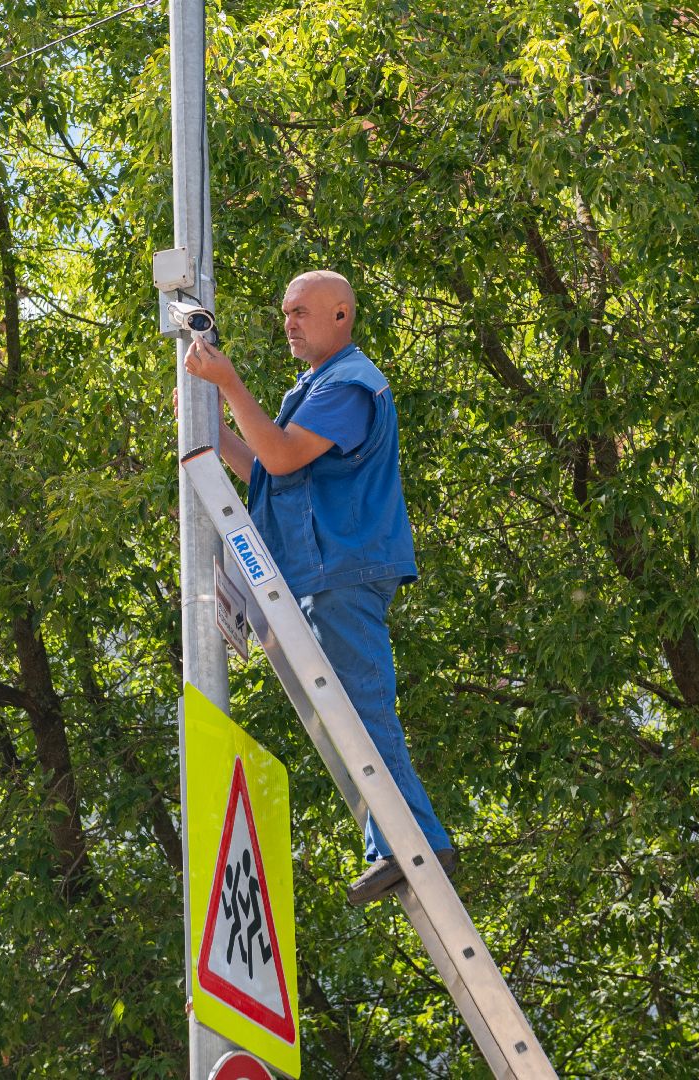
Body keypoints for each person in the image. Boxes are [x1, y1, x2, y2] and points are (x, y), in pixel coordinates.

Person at [183, 269, 455, 905]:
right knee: (345, 717)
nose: (290, 323)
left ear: (341, 316)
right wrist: (215, 430)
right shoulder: (311, 390)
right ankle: (393, 840)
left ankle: (412, 840)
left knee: (360, 709)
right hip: (317, 571)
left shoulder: (348, 386)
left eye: (301, 311)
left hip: (344, 568)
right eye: (285, 312)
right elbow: (270, 471)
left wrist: (227, 384)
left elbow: (278, 456)